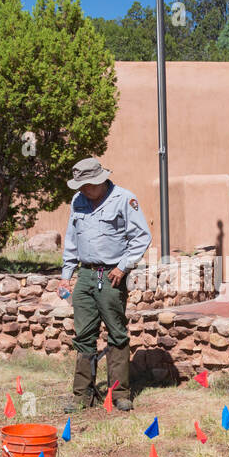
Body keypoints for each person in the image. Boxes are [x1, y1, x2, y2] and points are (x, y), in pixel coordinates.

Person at [58, 158, 151, 411]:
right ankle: (82, 395)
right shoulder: (78, 201)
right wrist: (67, 274)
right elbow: (72, 239)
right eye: (79, 185)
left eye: (86, 185)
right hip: (86, 275)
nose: (82, 190)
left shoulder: (124, 199)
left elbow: (141, 237)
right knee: (83, 334)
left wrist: (123, 267)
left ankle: (120, 393)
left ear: (99, 181)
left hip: (112, 275)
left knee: (116, 333)